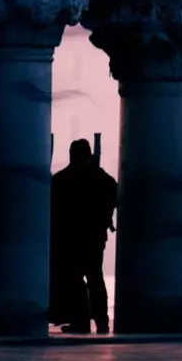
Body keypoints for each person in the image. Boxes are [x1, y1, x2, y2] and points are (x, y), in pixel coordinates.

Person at [50, 139, 118, 334]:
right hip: (94, 237)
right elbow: (113, 199)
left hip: (70, 238)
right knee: (95, 278)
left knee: (75, 280)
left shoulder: (62, 179)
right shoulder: (103, 179)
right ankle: (101, 321)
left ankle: (81, 322)